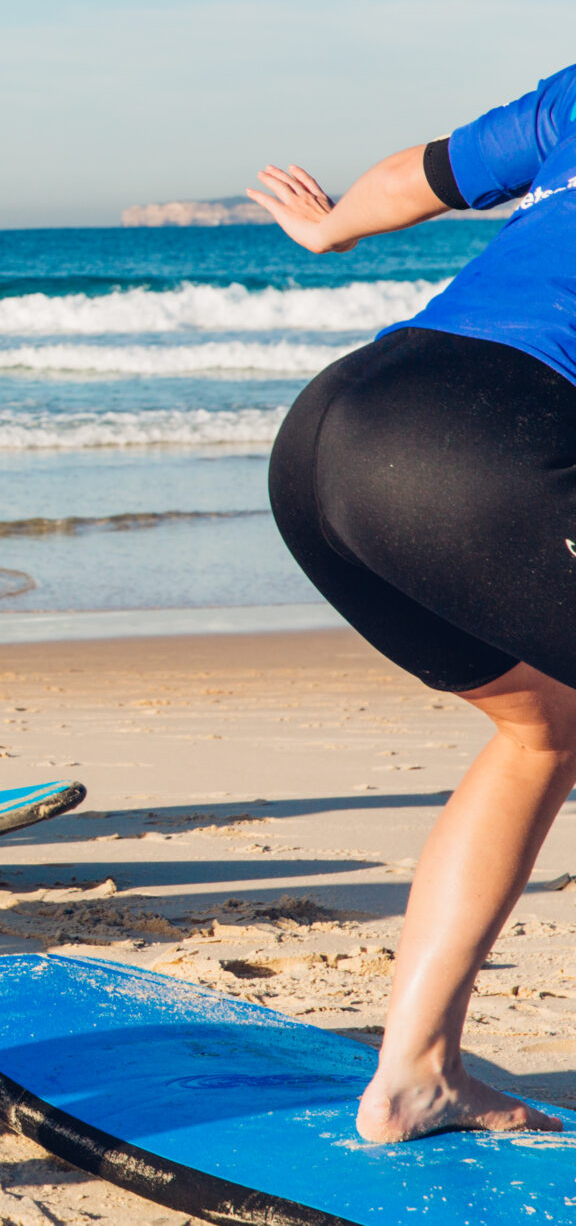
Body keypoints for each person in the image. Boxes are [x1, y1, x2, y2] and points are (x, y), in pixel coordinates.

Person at [252, 60, 576, 1144]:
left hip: (331, 435)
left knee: (544, 727)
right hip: (477, 446)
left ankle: (415, 1076)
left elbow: (418, 172)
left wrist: (330, 231)